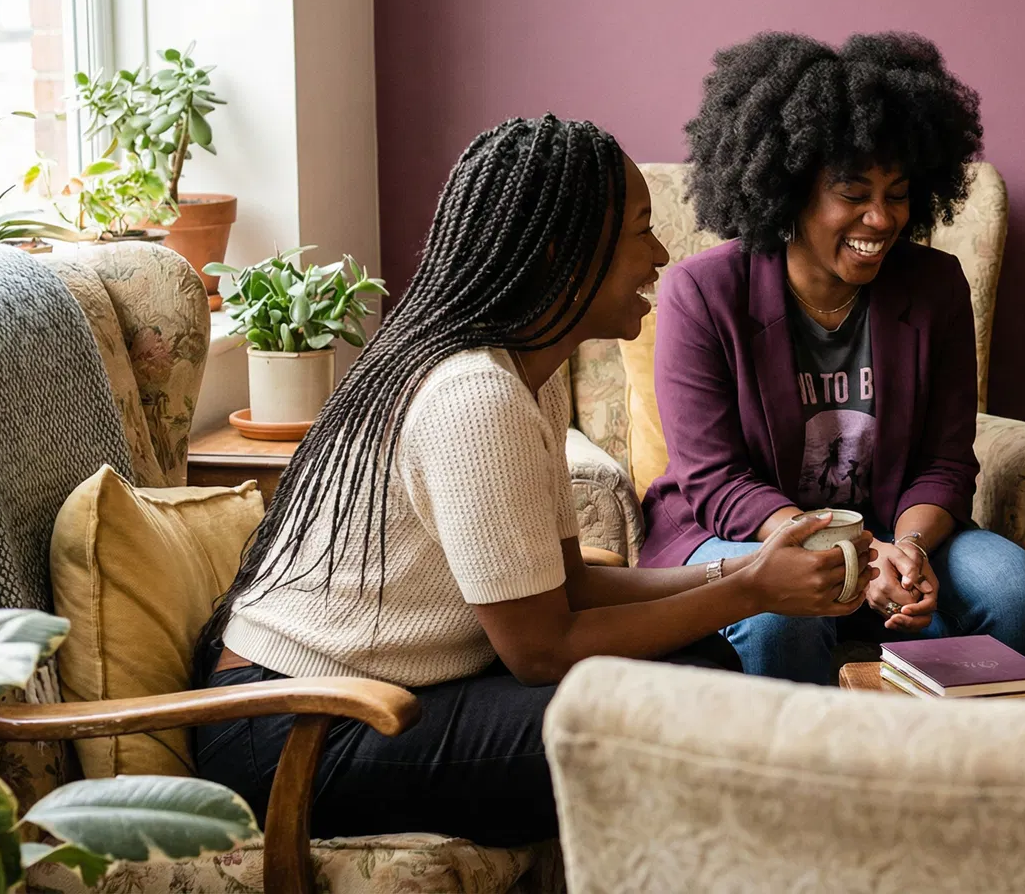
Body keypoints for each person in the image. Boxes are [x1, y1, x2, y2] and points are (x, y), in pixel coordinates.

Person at [193, 116, 874, 846]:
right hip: (293, 729)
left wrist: (748, 570)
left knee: (702, 663)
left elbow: (570, 590)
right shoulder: (474, 396)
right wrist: (747, 592)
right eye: (641, 230)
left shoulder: (526, 380)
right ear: (563, 253)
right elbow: (541, 650)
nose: (661, 254)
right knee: (674, 716)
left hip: (360, 698)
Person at [639, 31, 1025, 684]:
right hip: (742, 536)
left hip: (890, 530)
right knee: (784, 611)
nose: (881, 218)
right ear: (790, 188)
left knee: (1011, 586)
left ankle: (964, 769)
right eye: (853, 193)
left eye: (897, 193)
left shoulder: (934, 285)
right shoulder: (703, 293)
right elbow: (714, 477)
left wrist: (909, 552)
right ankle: (804, 779)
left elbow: (945, 460)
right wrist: (845, 550)